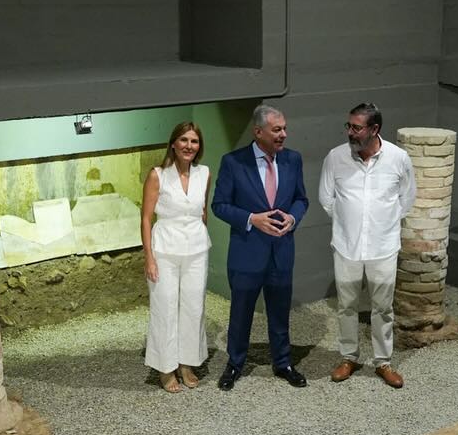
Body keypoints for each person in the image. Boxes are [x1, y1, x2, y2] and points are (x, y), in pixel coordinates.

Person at [211, 104, 309, 390]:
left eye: (284, 129)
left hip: (281, 252)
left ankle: (283, 362)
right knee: (240, 312)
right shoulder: (233, 162)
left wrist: (293, 217)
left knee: (279, 312)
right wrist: (251, 219)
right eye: (277, 130)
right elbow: (219, 205)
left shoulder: (293, 160)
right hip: (246, 254)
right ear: (258, 132)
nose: (284, 135)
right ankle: (235, 363)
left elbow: (301, 199)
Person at [318, 102, 417, 388]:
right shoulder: (335, 158)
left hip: (383, 247)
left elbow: (406, 199)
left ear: (375, 129)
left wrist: (381, 224)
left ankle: (383, 362)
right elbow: (327, 198)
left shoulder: (399, 158)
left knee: (383, 308)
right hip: (346, 247)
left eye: (356, 127)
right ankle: (349, 357)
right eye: (348, 126)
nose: (350, 132)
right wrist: (349, 223)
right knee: (346, 305)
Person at [141, 122, 212, 393]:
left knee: (193, 307)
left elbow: (202, 210)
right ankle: (165, 367)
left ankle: (187, 363)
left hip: (196, 249)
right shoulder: (158, 175)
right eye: (183, 140)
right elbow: (146, 219)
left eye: (194, 141)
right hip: (164, 250)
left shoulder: (204, 173)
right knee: (165, 308)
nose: (188, 146)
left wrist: (200, 237)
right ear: (173, 143)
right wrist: (149, 257)